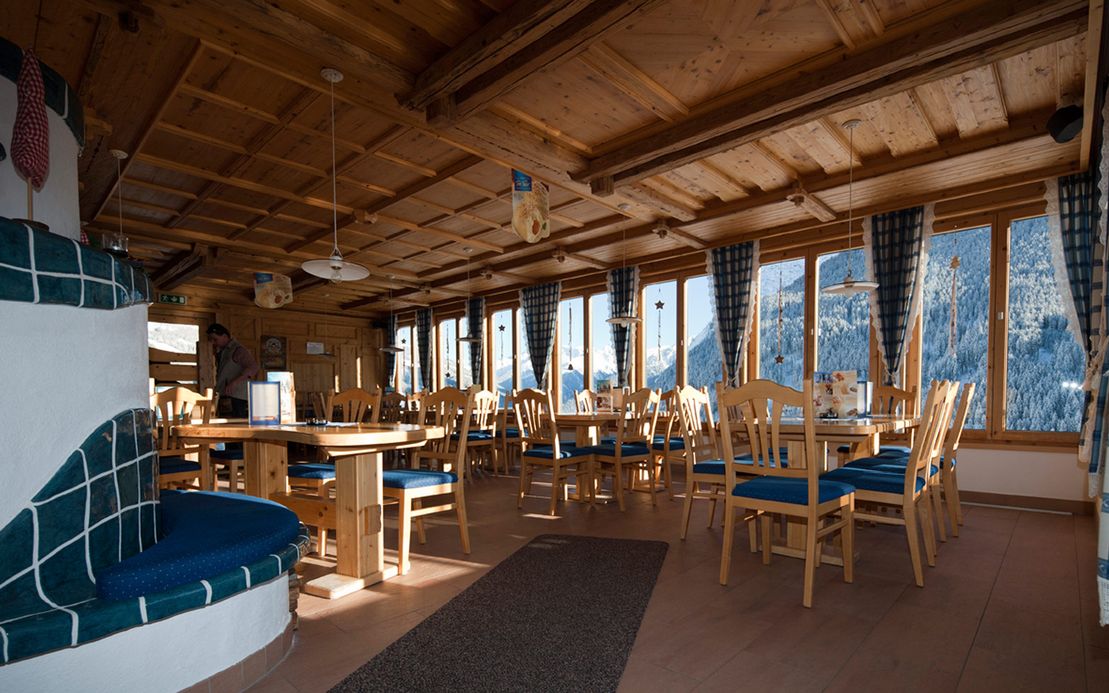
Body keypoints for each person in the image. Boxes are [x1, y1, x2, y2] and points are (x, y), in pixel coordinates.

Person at [206, 323, 259, 417]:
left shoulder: (238, 350)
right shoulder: (222, 351)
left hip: (238, 396)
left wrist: (235, 382)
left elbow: (253, 367)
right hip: (226, 395)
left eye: (215, 339)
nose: (213, 342)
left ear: (225, 336)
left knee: (237, 424)